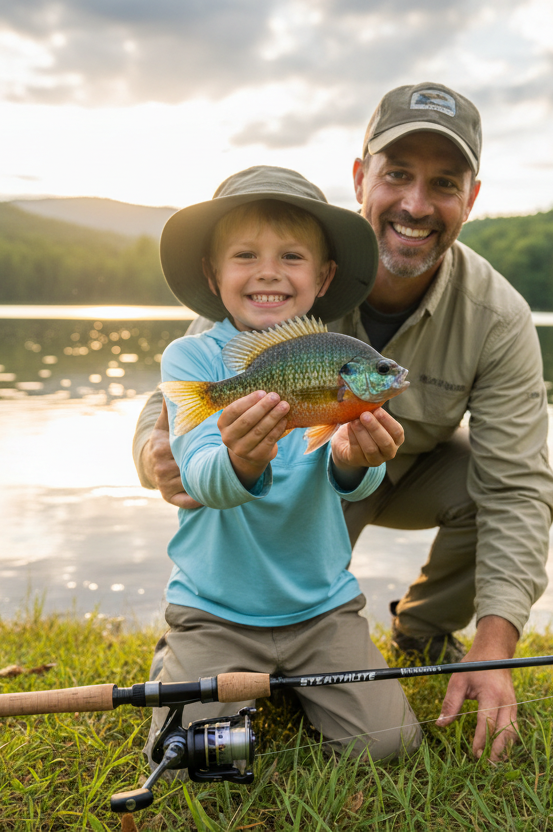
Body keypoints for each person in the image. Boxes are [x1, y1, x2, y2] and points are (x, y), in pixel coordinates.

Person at [135, 83, 553, 762]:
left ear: (471, 198)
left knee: (388, 743)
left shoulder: (497, 317)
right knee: (202, 756)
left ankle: (422, 631)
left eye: (443, 183)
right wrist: (158, 456)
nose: (416, 205)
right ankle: (200, 656)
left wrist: (496, 643)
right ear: (361, 178)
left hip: (360, 482)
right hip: (280, 510)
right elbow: (179, 399)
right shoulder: (271, 300)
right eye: (397, 175)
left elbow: (519, 486)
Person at [145, 165, 421, 765]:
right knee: (187, 756)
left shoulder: (342, 356)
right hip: (215, 611)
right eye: (245, 255)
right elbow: (199, 479)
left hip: (322, 609)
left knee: (390, 746)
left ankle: (298, 683)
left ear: (323, 278)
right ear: (211, 274)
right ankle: (189, 658)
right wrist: (240, 461)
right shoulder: (191, 359)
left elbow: (351, 479)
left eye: (291, 257)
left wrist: (355, 460)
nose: (268, 271)